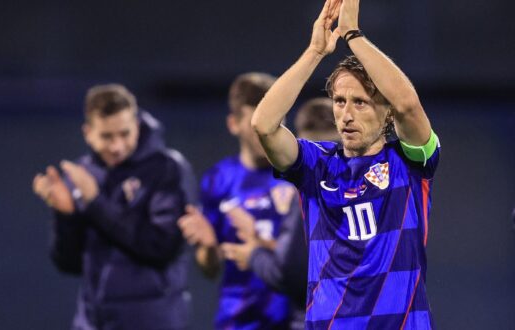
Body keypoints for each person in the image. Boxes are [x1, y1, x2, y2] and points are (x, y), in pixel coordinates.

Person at [251, 0, 440, 328]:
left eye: (361, 103)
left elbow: (409, 105)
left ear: (387, 113)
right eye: (340, 101)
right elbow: (264, 125)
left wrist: (353, 34)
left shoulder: (410, 162)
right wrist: (314, 52)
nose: (347, 114)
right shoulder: (315, 164)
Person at [32, 84, 196, 330]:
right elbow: (69, 263)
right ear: (88, 133)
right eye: (107, 137)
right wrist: (65, 216)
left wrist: (96, 203)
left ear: (137, 127)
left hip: (151, 322)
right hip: (92, 321)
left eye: (125, 134)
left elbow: (162, 247)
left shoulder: (167, 169)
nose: (117, 146)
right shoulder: (81, 174)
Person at [177, 73, 296, 329]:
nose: (267, 130)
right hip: (237, 319)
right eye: (258, 124)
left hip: (296, 317)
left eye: (276, 119)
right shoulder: (218, 179)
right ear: (234, 124)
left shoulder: (303, 174)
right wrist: (209, 248)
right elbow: (210, 269)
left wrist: (258, 248)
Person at [220, 97, 339, 330]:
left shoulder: (311, 182)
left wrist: (254, 254)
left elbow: (293, 274)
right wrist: (261, 242)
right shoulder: (371, 182)